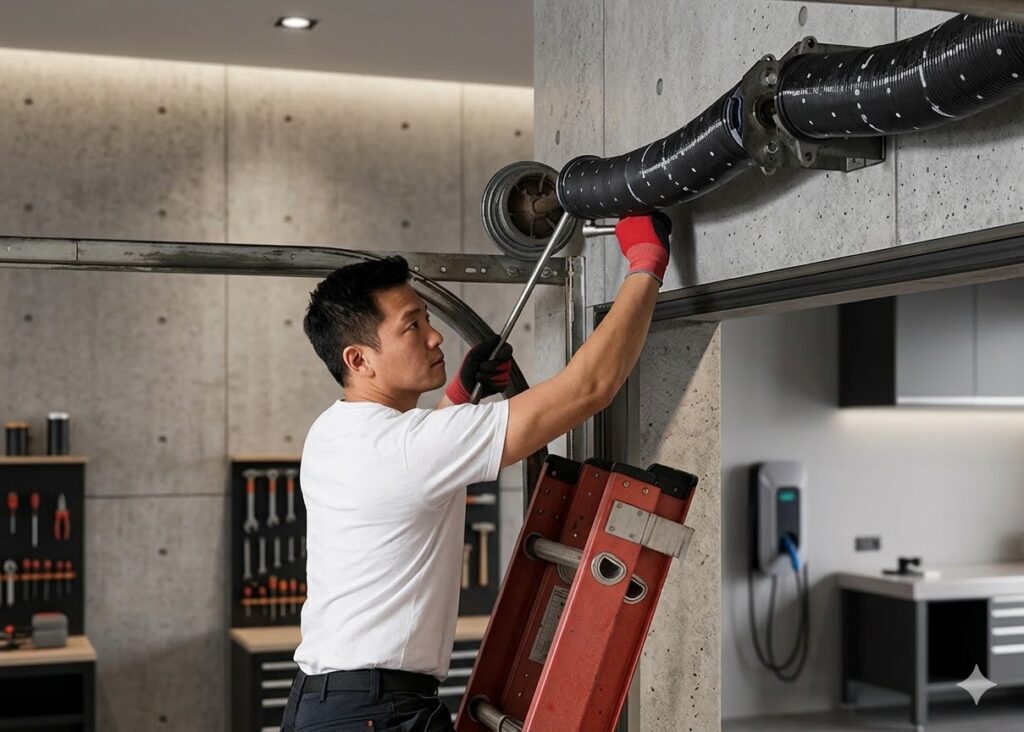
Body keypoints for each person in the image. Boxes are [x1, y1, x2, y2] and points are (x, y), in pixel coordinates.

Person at [281, 212, 672, 732]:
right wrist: (645, 262)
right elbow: (589, 388)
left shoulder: (334, 431)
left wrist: (461, 396)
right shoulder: (406, 448)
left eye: (426, 318)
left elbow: (410, 470)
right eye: (412, 327)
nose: (436, 337)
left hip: (329, 706)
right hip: (376, 714)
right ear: (359, 359)